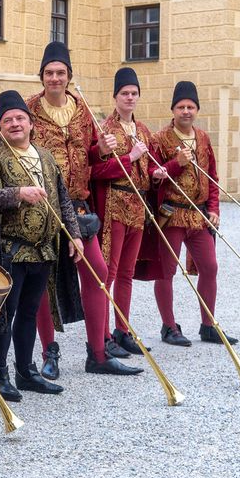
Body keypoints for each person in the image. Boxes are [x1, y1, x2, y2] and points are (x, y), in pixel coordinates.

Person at [26, 42, 142, 378]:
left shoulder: (82, 110)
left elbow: (92, 156)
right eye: (49, 73)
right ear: (42, 76)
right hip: (43, 209)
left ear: (69, 75)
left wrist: (100, 148)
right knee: (44, 282)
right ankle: (50, 352)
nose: (55, 78)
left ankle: (98, 354)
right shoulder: (29, 108)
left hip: (78, 206)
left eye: (60, 72)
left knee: (99, 272)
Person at [0, 91, 82, 400]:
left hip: (42, 249)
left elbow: (63, 199)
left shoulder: (45, 156)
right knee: (4, 312)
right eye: (7, 120)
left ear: (31, 124)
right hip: (7, 249)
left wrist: (74, 235)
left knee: (29, 312)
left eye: (19, 118)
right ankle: (1, 374)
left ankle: (26, 370)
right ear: (0, 127)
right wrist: (16, 193)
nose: (15, 124)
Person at [144, 81, 237, 346]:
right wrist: (176, 164)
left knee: (210, 267)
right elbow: (153, 177)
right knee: (166, 271)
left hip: (198, 215)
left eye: (191, 107)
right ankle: (169, 326)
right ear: (173, 110)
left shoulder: (203, 138)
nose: (186, 111)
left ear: (197, 110)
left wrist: (214, 209)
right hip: (171, 213)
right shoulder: (160, 139)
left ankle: (208, 325)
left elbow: (213, 177)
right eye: (181, 107)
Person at [91, 68, 156, 355]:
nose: (129, 97)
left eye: (133, 93)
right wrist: (130, 158)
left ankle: (123, 329)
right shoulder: (105, 130)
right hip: (116, 203)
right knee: (110, 271)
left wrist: (158, 173)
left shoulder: (143, 130)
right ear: (115, 97)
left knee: (128, 272)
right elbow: (96, 170)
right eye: (124, 93)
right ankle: (104, 333)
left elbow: (149, 166)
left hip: (139, 204)